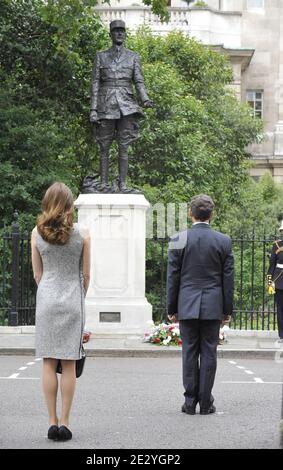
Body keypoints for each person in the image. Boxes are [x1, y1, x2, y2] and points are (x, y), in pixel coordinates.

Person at [31, 182, 91, 441]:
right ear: (69, 205)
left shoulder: (36, 232)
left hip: (46, 299)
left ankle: (51, 421)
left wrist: (47, 293)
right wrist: (78, 296)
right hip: (72, 300)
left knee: (48, 362)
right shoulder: (83, 233)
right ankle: (65, 422)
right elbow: (86, 275)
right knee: (68, 363)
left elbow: (37, 273)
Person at [167, 195, 234, 415]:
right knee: (209, 354)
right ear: (211, 215)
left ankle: (189, 403)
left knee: (188, 354)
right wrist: (227, 310)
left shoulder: (179, 239)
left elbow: (173, 277)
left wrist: (171, 308)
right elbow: (228, 280)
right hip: (213, 305)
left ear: (190, 213)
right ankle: (206, 403)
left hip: (186, 304)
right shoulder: (223, 241)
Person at [89, 19, 153, 193]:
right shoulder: (100, 56)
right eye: (116, 31)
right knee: (104, 145)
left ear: (125, 35)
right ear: (110, 34)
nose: (119, 34)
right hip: (105, 103)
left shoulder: (133, 56)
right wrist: (93, 109)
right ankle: (103, 183)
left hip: (127, 104)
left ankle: (122, 184)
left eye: (122, 31)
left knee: (124, 145)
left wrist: (145, 99)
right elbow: (95, 83)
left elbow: (139, 80)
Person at [267, 220, 283, 343]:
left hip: (279, 281)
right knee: (280, 309)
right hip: (279, 281)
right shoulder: (276, 245)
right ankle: (282, 335)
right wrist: (269, 282)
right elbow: (271, 265)